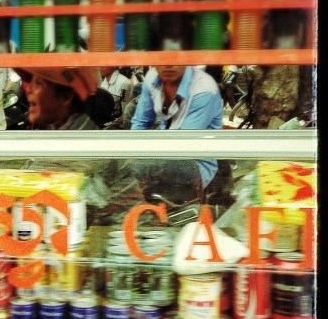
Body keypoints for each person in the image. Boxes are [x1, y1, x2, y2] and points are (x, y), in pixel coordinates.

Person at [15, 65, 143, 224]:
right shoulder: (61, 137)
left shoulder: (83, 152)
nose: (29, 89)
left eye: (39, 83)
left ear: (65, 97)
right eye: (31, 82)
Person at [129, 63, 224, 203]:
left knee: (136, 169)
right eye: (162, 58)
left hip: (194, 162)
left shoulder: (204, 88)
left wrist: (141, 159)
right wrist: (133, 152)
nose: (168, 64)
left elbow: (184, 144)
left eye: (175, 57)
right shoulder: (152, 79)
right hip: (166, 156)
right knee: (125, 167)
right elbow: (140, 123)